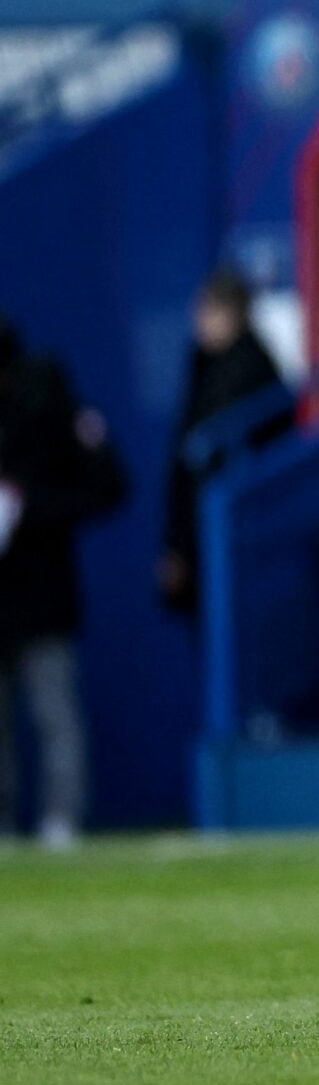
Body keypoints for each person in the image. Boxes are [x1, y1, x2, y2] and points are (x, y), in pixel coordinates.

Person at [0, 316, 125, 848]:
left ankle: (61, 819)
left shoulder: (49, 401)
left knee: (54, 711)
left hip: (42, 590)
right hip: (28, 592)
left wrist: (32, 509)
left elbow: (108, 484)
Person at [159, 267, 285, 613]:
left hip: (235, 540)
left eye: (204, 309)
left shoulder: (248, 369)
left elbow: (211, 460)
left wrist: (182, 545)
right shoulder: (205, 365)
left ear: (229, 313)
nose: (196, 318)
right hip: (202, 539)